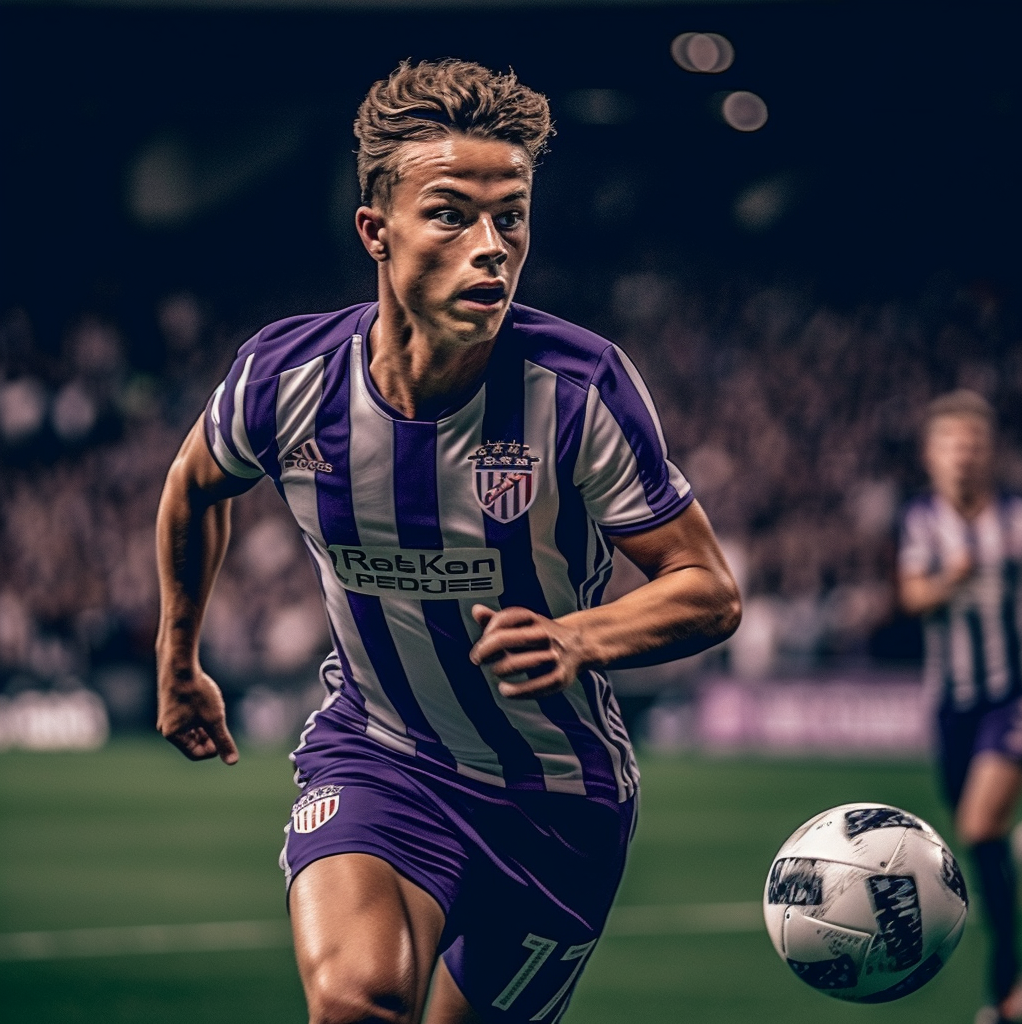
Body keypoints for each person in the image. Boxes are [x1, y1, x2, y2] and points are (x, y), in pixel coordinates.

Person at [155, 59, 741, 1024]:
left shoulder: (577, 388)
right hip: (379, 754)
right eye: (451, 214)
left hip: (557, 799)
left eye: (510, 217)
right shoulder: (283, 378)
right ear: (374, 232)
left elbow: (707, 587)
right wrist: (179, 658)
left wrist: (577, 637)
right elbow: (195, 486)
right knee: (356, 1002)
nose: (492, 248)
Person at [898, 390, 1022, 1024]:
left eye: (974, 444)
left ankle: (1009, 987)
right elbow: (913, 596)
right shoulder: (921, 520)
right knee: (977, 841)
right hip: (951, 705)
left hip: (1014, 696)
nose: (964, 457)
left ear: (991, 452)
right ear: (931, 454)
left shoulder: (1017, 518)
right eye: (952, 444)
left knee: (978, 826)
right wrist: (955, 577)